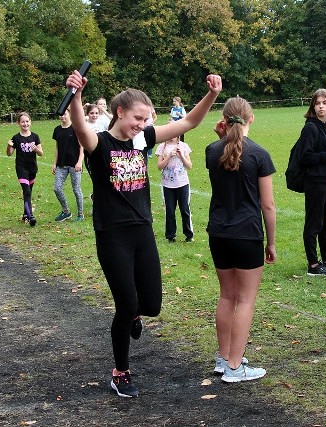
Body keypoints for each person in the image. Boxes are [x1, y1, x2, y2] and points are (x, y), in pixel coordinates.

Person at [65, 68, 222, 397]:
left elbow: (189, 123)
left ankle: (136, 313)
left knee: (150, 304)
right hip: (112, 235)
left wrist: (211, 96)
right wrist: (77, 95)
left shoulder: (143, 138)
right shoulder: (100, 143)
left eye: (147, 119)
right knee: (126, 305)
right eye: (138, 118)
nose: (142, 124)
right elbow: (80, 127)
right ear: (120, 112)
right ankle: (120, 372)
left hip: (142, 231)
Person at [206, 97, 276, 383]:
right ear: (252, 118)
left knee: (226, 296)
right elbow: (268, 206)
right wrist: (271, 242)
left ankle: (225, 358)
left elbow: (228, 155)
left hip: (219, 233)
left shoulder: (212, 150)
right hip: (247, 235)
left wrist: (222, 137)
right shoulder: (259, 154)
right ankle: (235, 366)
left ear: (223, 120)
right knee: (245, 300)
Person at [297, 88, 326, 276]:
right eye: (317, 103)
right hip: (315, 181)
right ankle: (313, 264)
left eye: (324, 103)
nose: (321, 107)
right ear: (313, 106)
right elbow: (305, 158)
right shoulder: (310, 128)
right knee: (314, 221)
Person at [6, 112, 43, 226]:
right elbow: (9, 154)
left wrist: (36, 149)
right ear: (19, 123)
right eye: (22, 121)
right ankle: (30, 216)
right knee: (26, 191)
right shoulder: (16, 138)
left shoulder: (35, 136)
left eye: (27, 121)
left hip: (32, 168)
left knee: (29, 192)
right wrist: (8, 145)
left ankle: (25, 215)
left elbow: (41, 153)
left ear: (30, 122)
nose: (25, 123)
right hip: (21, 168)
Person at [155, 136, 194, 242]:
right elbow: (159, 166)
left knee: (185, 209)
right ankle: (170, 235)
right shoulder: (161, 147)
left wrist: (181, 155)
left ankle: (189, 234)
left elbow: (189, 166)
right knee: (170, 210)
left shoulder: (183, 146)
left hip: (182, 182)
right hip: (167, 184)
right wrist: (168, 157)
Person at [51, 109, 84, 222]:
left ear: (69, 114)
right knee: (57, 188)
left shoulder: (75, 128)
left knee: (76, 189)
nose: (62, 116)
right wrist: (54, 163)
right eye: (60, 114)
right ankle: (66, 211)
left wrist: (79, 162)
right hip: (62, 164)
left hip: (74, 165)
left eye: (64, 113)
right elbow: (57, 148)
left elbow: (81, 147)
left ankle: (80, 214)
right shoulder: (57, 130)